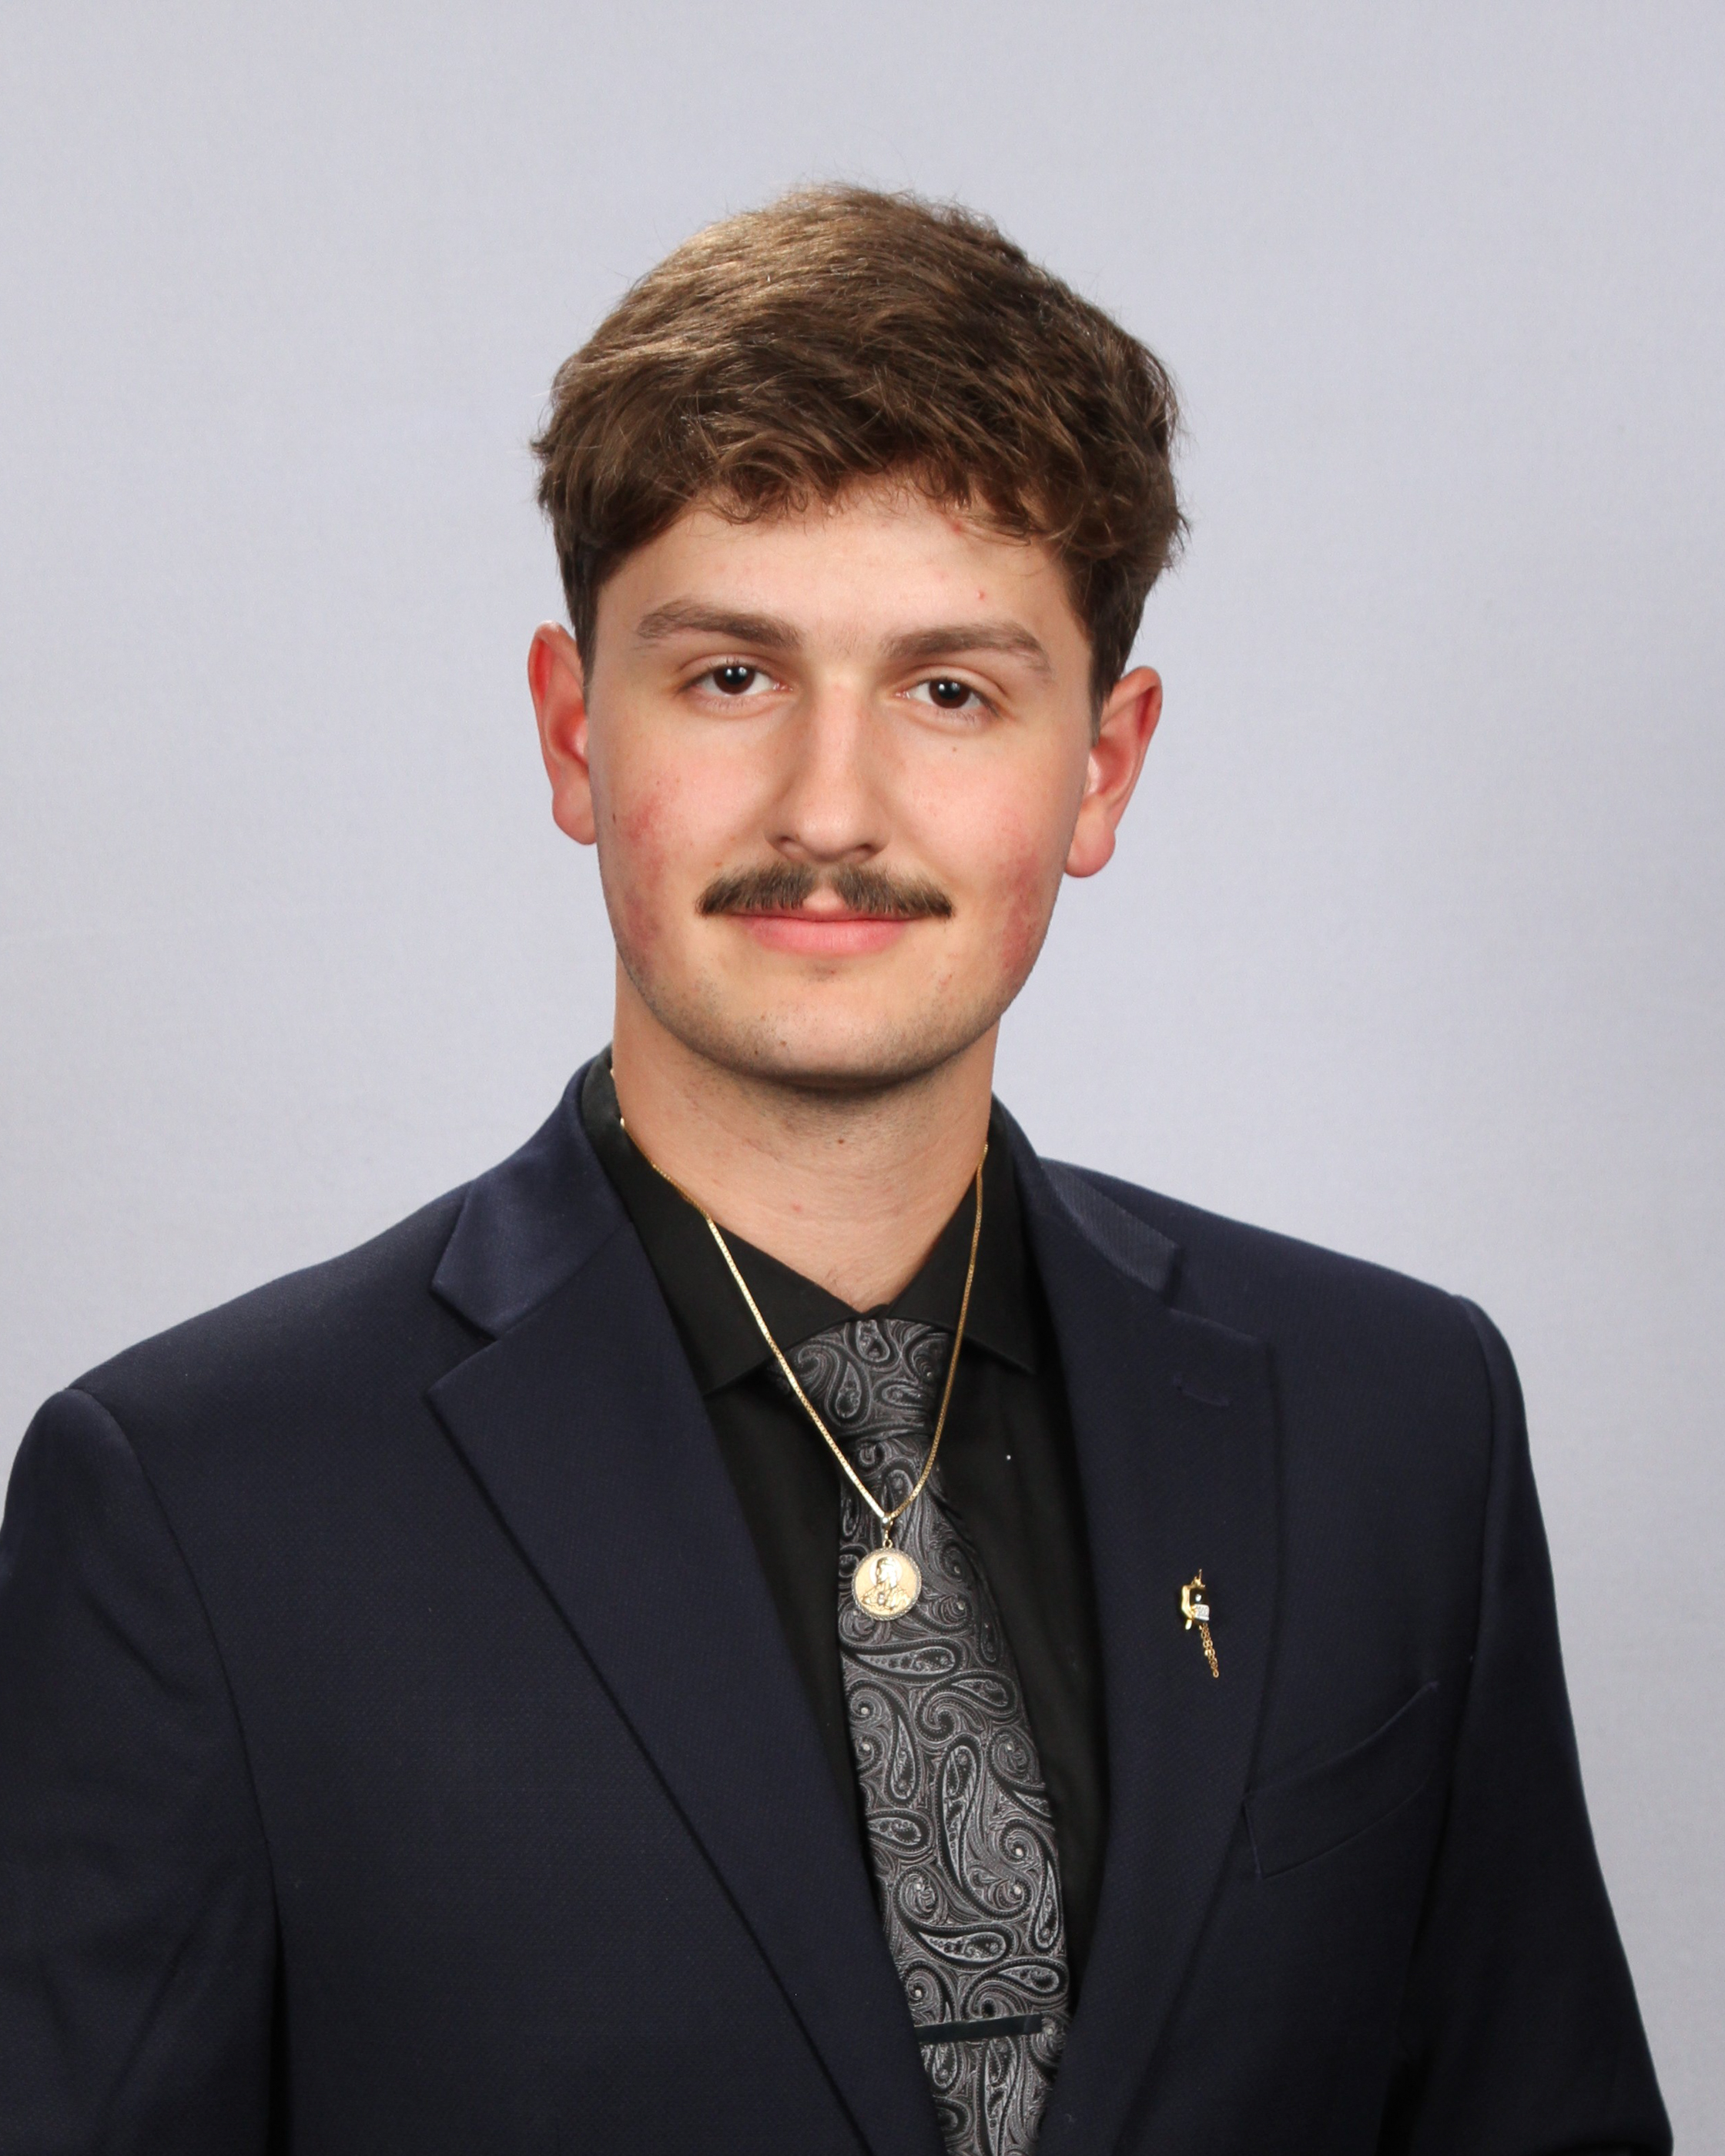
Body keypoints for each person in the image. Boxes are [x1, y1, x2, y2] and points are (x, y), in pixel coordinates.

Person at [0, 186, 1669, 2156]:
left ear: (1103, 765)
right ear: (573, 733)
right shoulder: (202, 1508)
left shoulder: (1396, 1422)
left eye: (950, 689)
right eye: (732, 675)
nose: (828, 808)